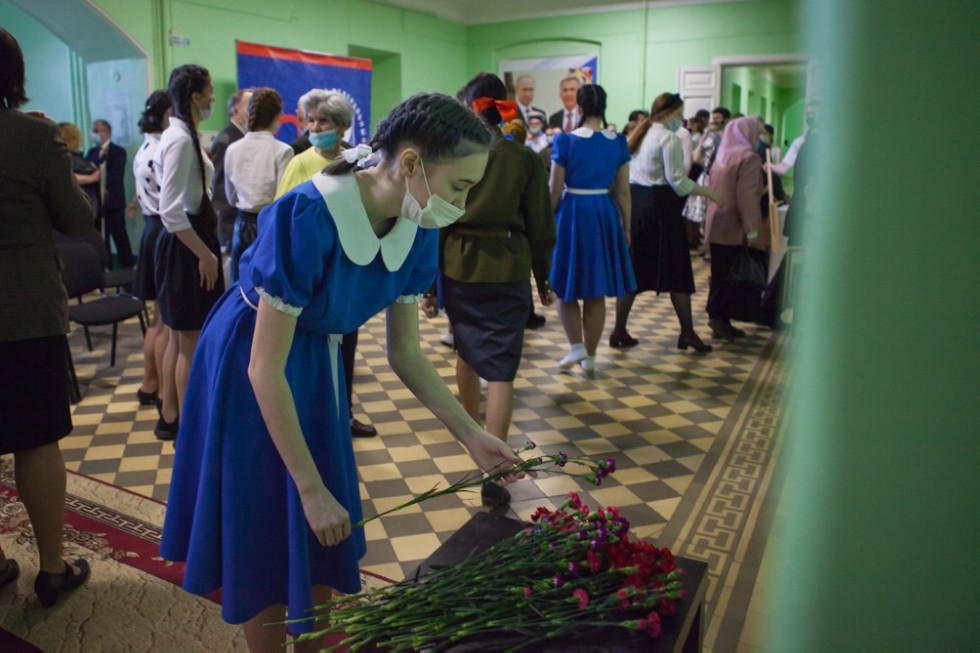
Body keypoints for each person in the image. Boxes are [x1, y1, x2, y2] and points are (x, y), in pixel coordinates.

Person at [160, 92, 527, 651]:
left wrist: (471, 433)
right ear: (409, 163)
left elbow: (405, 353)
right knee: (271, 515)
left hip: (313, 361)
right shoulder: (308, 213)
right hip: (251, 362)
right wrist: (309, 488)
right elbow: (265, 368)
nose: (464, 202)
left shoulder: (418, 222)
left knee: (319, 538)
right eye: (460, 186)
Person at [427, 72, 555, 508]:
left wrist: (429, 285)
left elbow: (435, 219)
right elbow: (541, 226)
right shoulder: (523, 158)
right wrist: (544, 279)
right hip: (508, 263)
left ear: (466, 105)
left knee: (466, 349)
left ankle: (472, 438)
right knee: (501, 368)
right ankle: (496, 471)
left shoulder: (451, 155)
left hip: (459, 263)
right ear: (502, 106)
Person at [0, 26, 93, 606]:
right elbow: (78, 221)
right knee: (35, 441)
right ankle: (52, 569)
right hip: (22, 313)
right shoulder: (32, 137)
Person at [274, 89, 376, 438]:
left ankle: (343, 415)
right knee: (306, 350)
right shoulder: (300, 162)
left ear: (343, 126)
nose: (315, 127)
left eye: (324, 121)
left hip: (347, 269)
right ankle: (305, 420)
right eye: (312, 120)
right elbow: (280, 216)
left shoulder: (358, 161)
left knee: (346, 345)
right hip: (309, 273)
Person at [611, 92, 725, 353]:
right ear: (669, 113)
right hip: (660, 210)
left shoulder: (640, 134)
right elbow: (678, 182)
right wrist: (711, 193)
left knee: (634, 272)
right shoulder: (668, 138)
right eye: (679, 113)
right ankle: (687, 333)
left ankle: (619, 330)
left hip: (639, 207)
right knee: (678, 272)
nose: (681, 119)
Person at [152, 64, 225, 440]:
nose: (213, 97)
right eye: (210, 90)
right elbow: (171, 210)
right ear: (195, 96)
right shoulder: (180, 139)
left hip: (189, 240)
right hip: (188, 244)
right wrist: (205, 255)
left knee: (180, 336)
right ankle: (191, 425)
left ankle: (171, 412)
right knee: (189, 342)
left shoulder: (180, 133)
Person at [549, 84, 635, 376]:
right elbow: (623, 192)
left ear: (580, 108)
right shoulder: (618, 142)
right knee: (595, 291)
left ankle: (576, 345)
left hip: (572, 213)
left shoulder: (565, 142)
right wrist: (626, 227)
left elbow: (554, 190)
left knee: (565, 285)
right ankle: (591, 356)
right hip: (604, 213)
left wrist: (546, 222)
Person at [131, 90, 172, 417]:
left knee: (158, 319)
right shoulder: (161, 149)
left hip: (151, 227)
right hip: (162, 228)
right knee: (164, 321)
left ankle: (150, 382)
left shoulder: (144, 146)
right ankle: (159, 390)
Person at [224, 88, 294, 283]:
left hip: (241, 224)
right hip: (268, 225)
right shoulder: (283, 150)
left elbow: (230, 197)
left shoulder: (232, 149)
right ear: (278, 115)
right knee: (264, 287)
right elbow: (282, 198)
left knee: (239, 284)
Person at [704, 117, 764, 340]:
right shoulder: (749, 158)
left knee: (719, 272)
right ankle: (718, 318)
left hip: (716, 222)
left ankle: (720, 318)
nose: (758, 136)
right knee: (730, 274)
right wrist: (753, 231)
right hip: (734, 224)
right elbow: (747, 198)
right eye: (756, 132)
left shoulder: (721, 157)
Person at [87, 118, 134, 269]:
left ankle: (128, 270)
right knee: (102, 238)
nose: (94, 134)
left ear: (107, 132)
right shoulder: (92, 152)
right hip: (98, 204)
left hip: (114, 202)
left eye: (97, 131)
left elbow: (115, 174)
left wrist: (103, 184)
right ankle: (106, 269)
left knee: (120, 237)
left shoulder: (118, 151)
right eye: (93, 131)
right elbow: (88, 170)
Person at [210, 89, 252, 249]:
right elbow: (220, 190)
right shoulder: (226, 141)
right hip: (230, 222)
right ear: (235, 111)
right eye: (250, 107)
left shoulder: (243, 139)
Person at [59, 122, 101, 216]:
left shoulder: (72, 157)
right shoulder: (67, 158)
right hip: (78, 209)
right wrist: (92, 178)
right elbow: (66, 177)